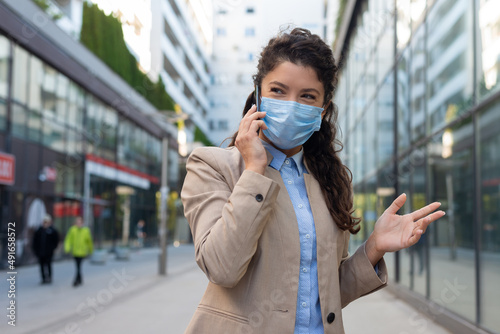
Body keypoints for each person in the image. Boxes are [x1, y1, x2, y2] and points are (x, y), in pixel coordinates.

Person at [181, 28, 446, 334]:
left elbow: (325, 295)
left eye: (307, 96)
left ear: (322, 109)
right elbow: (221, 267)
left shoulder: (329, 181)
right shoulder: (212, 166)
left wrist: (373, 247)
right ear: (258, 94)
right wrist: (254, 169)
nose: (292, 104)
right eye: (278, 91)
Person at [64, 216, 94, 287]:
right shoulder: (72, 230)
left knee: (78, 266)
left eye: (80, 222)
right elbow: (68, 239)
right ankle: (79, 279)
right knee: (77, 266)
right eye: (77, 222)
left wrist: (90, 250)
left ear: (82, 223)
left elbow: (89, 241)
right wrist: (67, 248)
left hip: (82, 251)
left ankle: (76, 280)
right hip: (75, 251)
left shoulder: (86, 230)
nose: (79, 224)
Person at [32, 214, 60, 284]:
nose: (45, 223)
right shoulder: (39, 231)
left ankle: (49, 277)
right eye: (44, 222)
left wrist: (53, 248)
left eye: (47, 222)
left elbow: (56, 240)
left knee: (48, 265)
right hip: (40, 252)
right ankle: (43, 278)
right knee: (41, 266)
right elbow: (35, 241)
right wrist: (36, 250)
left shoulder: (52, 231)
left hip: (49, 252)